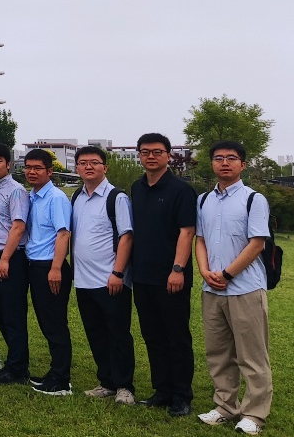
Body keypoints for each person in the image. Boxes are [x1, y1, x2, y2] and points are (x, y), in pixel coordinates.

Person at [195, 140, 273, 435]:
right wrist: (204, 271)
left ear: (243, 164)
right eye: (218, 158)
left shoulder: (254, 199)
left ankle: (255, 414)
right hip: (212, 289)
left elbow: (257, 244)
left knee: (252, 355)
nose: (224, 162)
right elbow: (200, 239)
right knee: (218, 353)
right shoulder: (203, 200)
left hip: (246, 289)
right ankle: (225, 406)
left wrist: (228, 273)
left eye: (231, 158)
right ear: (212, 163)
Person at [130, 132, 197, 417]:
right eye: (145, 152)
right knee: (153, 335)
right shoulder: (136, 188)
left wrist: (177, 269)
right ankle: (162, 390)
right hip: (142, 275)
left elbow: (187, 231)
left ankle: (181, 395)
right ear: (139, 155)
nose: (151, 156)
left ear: (168, 155)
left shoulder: (181, 190)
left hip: (172, 276)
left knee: (176, 337)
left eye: (157, 152)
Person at [70, 146, 135, 405]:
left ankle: (124, 386)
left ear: (104, 167)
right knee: (95, 333)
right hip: (83, 281)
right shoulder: (77, 197)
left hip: (111, 280)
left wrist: (118, 272)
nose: (89, 167)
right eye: (83, 163)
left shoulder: (116, 198)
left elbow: (126, 236)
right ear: (77, 168)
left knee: (118, 334)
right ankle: (106, 382)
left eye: (94, 162)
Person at [23, 148, 74, 396]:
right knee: (46, 322)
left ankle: (61, 380)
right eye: (28, 167)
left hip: (51, 267)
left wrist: (55, 268)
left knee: (55, 323)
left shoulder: (56, 198)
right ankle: (55, 372)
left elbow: (63, 234)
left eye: (37, 168)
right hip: (35, 266)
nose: (32, 172)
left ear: (49, 171)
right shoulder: (32, 197)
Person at [0, 143, 32, 386]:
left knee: (13, 314)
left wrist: (4, 259)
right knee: (2, 313)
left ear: (8, 164)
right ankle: (13, 364)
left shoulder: (16, 191)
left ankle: (18, 369)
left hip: (10, 258)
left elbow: (18, 227)